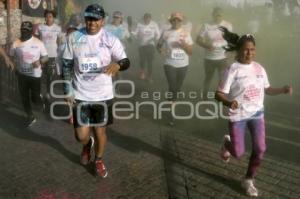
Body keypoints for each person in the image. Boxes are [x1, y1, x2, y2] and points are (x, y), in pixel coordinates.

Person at [215, 31, 293, 197]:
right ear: (238, 50)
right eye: (245, 49)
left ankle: (248, 179)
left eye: (252, 49)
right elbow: (218, 94)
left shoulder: (259, 68)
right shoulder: (232, 70)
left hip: (257, 114)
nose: (249, 53)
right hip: (238, 117)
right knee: (238, 152)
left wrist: (282, 90)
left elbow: (267, 89)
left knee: (260, 149)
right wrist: (229, 102)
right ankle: (226, 144)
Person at [62, 4, 130, 178]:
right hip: (81, 94)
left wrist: (118, 64)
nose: (92, 23)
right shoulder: (74, 37)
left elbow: (125, 61)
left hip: (103, 95)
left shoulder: (110, 39)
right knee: (80, 135)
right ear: (85, 19)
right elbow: (67, 65)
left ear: (102, 20)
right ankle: (87, 145)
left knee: (100, 131)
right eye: (89, 18)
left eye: (96, 19)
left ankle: (98, 160)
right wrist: (67, 89)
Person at [157, 11, 193, 125]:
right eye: (174, 20)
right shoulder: (166, 32)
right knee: (172, 86)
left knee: (177, 87)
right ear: (171, 21)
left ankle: (171, 102)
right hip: (169, 63)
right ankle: (171, 112)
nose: (176, 22)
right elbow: (158, 45)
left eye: (178, 20)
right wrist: (161, 50)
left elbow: (191, 51)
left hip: (183, 64)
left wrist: (184, 45)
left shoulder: (186, 33)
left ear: (181, 21)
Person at [10, 21, 48, 126]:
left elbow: (46, 57)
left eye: (27, 31)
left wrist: (40, 61)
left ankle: (39, 99)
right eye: (23, 30)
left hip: (35, 75)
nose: (24, 33)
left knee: (34, 97)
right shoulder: (15, 43)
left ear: (31, 31)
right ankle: (30, 116)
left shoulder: (38, 43)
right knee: (24, 97)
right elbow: (11, 57)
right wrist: (14, 66)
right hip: (22, 75)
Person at [196, 7, 233, 98]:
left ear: (222, 15)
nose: (218, 17)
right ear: (213, 15)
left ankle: (221, 97)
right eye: (216, 15)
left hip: (222, 58)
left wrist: (229, 50)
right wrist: (206, 46)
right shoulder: (206, 25)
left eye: (220, 15)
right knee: (208, 78)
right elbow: (198, 40)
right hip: (209, 59)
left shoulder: (228, 25)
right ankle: (204, 97)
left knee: (222, 79)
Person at [35, 10, 62, 109]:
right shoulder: (40, 27)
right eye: (46, 16)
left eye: (50, 16)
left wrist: (59, 55)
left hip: (52, 56)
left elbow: (59, 42)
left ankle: (48, 94)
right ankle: (40, 94)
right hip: (42, 56)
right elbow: (37, 41)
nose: (48, 18)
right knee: (40, 75)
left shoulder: (58, 28)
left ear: (53, 18)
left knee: (50, 75)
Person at [132, 13, 160, 82]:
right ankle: (142, 73)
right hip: (141, 45)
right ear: (143, 18)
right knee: (142, 61)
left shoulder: (154, 24)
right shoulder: (139, 24)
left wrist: (154, 39)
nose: (147, 19)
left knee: (150, 62)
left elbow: (158, 34)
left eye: (148, 18)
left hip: (151, 45)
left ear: (150, 18)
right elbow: (135, 34)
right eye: (145, 18)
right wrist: (137, 36)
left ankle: (149, 76)